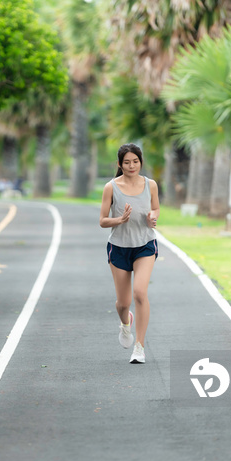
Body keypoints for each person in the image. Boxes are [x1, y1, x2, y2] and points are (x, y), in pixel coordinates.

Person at [99, 143, 159, 364]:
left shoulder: (150, 185)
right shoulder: (111, 187)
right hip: (119, 246)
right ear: (119, 164)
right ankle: (126, 324)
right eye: (127, 162)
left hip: (145, 245)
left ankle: (139, 347)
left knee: (140, 293)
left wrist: (152, 217)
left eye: (135, 161)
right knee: (123, 304)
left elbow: (156, 208)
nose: (131, 165)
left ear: (140, 162)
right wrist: (119, 220)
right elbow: (102, 220)